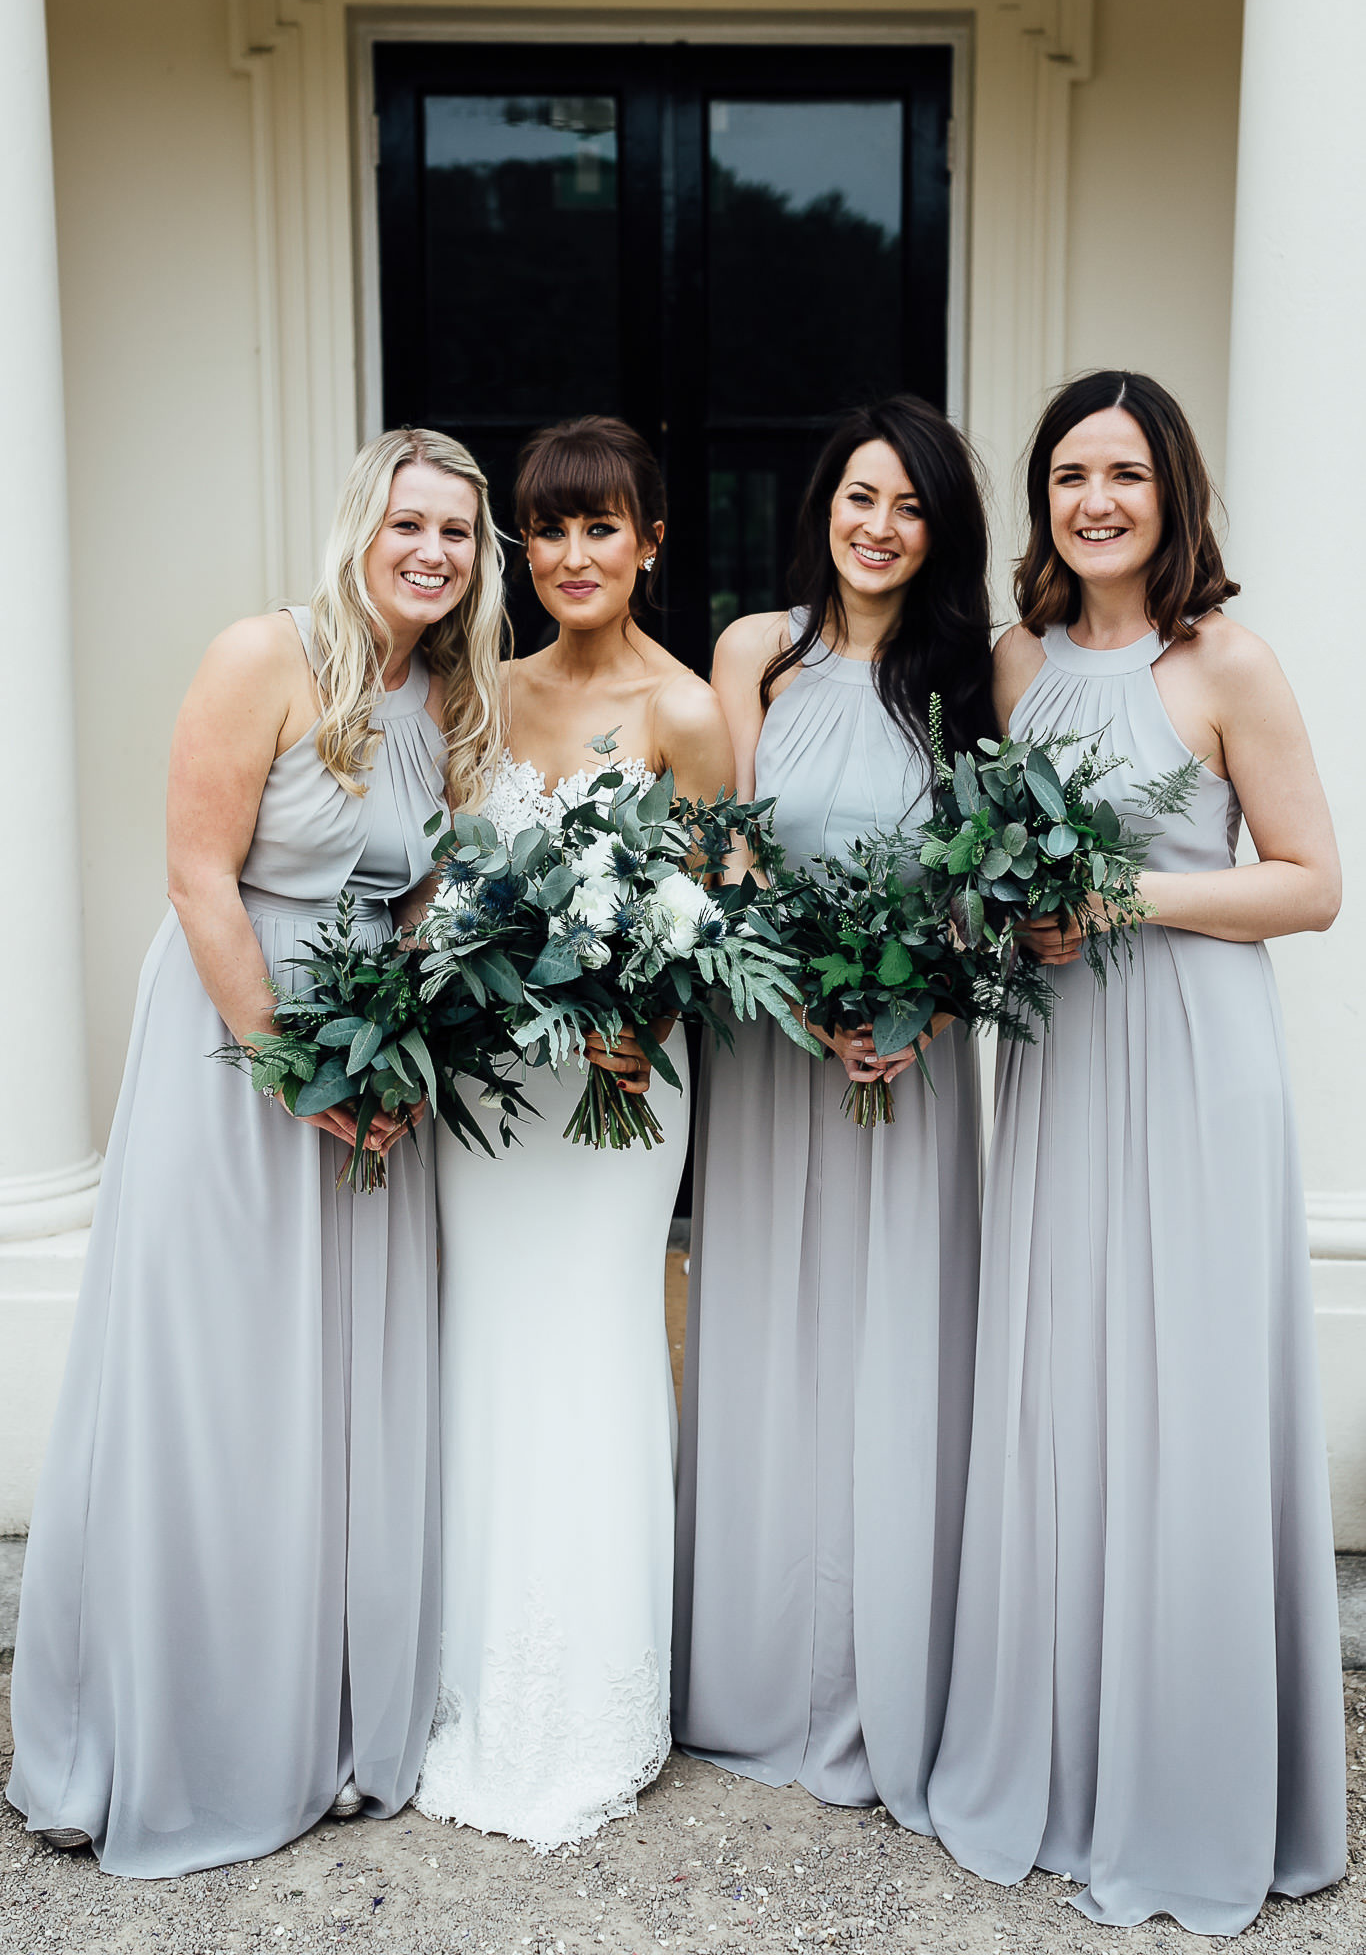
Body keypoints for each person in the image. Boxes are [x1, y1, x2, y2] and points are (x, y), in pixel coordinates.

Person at [6, 428, 506, 1877]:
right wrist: (293, 1065)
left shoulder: (446, 693)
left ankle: (326, 1715)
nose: (431, 552)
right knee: (220, 1370)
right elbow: (196, 874)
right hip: (240, 1053)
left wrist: (417, 1028)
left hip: (374, 1062)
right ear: (360, 526)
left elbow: (413, 899)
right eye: (409, 523)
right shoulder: (263, 656)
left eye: (457, 535)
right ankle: (187, 1727)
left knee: (339, 1376)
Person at [926, 371, 1347, 1932]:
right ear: (1041, 503)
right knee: (1066, 1380)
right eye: (1067, 476)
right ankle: (1062, 1754)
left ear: (1171, 492)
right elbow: (972, 863)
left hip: (1191, 1056)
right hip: (1059, 1061)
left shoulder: (1225, 661)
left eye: (1123, 473)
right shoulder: (1013, 661)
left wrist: (1120, 901)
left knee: (1183, 1385)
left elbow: (1307, 885)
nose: (1093, 500)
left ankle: (1193, 1776)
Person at [672, 395, 994, 1827]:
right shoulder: (755, 648)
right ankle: (746, 1674)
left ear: (941, 531)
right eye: (860, 499)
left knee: (889, 1343)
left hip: (905, 1059)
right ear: (824, 508)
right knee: (770, 1334)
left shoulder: (972, 673)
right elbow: (728, 840)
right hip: (769, 1041)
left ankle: (888, 1671)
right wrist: (795, 992)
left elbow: (989, 873)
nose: (879, 527)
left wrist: (921, 1000)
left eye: (909, 506)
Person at [415, 415, 735, 1852]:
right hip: (492, 1095)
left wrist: (644, 1016)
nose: (572, 555)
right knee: (488, 1346)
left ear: (650, 541)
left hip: (613, 1088)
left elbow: (718, 914)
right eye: (548, 529)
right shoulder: (477, 692)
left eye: (601, 526)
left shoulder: (684, 709)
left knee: (597, 1348)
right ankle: (468, 1671)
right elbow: (432, 889)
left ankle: (596, 1700)